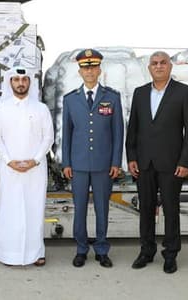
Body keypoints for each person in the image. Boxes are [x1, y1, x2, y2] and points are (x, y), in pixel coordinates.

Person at [126, 51, 188, 274]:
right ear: (149, 68)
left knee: (171, 209)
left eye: (163, 63)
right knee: (146, 208)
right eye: (154, 63)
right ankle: (146, 251)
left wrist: (185, 161)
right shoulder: (139, 94)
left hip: (171, 163)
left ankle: (170, 254)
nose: (158, 66)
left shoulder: (184, 93)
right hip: (144, 163)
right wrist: (131, 157)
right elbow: (133, 129)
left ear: (170, 66)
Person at [62, 49, 124, 268]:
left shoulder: (112, 97)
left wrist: (116, 162)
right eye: (85, 68)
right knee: (79, 208)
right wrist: (66, 162)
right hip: (78, 164)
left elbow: (118, 133)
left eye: (93, 67)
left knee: (102, 208)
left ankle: (101, 249)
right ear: (79, 71)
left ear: (99, 70)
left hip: (103, 164)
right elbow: (66, 133)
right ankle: (81, 249)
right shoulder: (70, 99)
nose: (89, 71)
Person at [0, 67, 54, 266]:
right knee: (10, 210)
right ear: (10, 83)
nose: (20, 83)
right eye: (16, 79)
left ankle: (36, 253)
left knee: (34, 209)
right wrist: (10, 160)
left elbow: (48, 138)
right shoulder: (2, 109)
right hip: (9, 169)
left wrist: (34, 160)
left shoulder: (41, 108)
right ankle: (8, 254)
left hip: (35, 169)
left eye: (24, 79)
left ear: (29, 82)